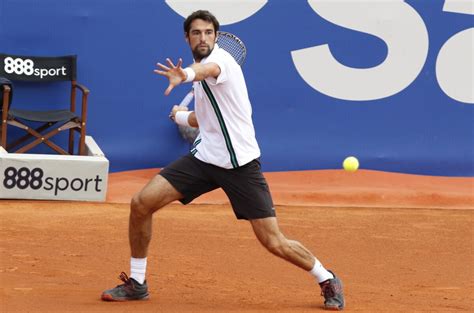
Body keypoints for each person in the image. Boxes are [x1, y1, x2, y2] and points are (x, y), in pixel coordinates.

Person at [101, 10, 345, 311]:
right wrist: (178, 115)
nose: (202, 38)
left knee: (273, 241)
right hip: (204, 159)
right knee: (141, 203)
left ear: (215, 37)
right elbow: (203, 118)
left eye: (208, 33)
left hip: (240, 165)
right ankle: (137, 284)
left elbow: (205, 71)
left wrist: (186, 75)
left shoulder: (221, 63)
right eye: (196, 33)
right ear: (187, 37)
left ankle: (327, 278)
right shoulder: (202, 70)